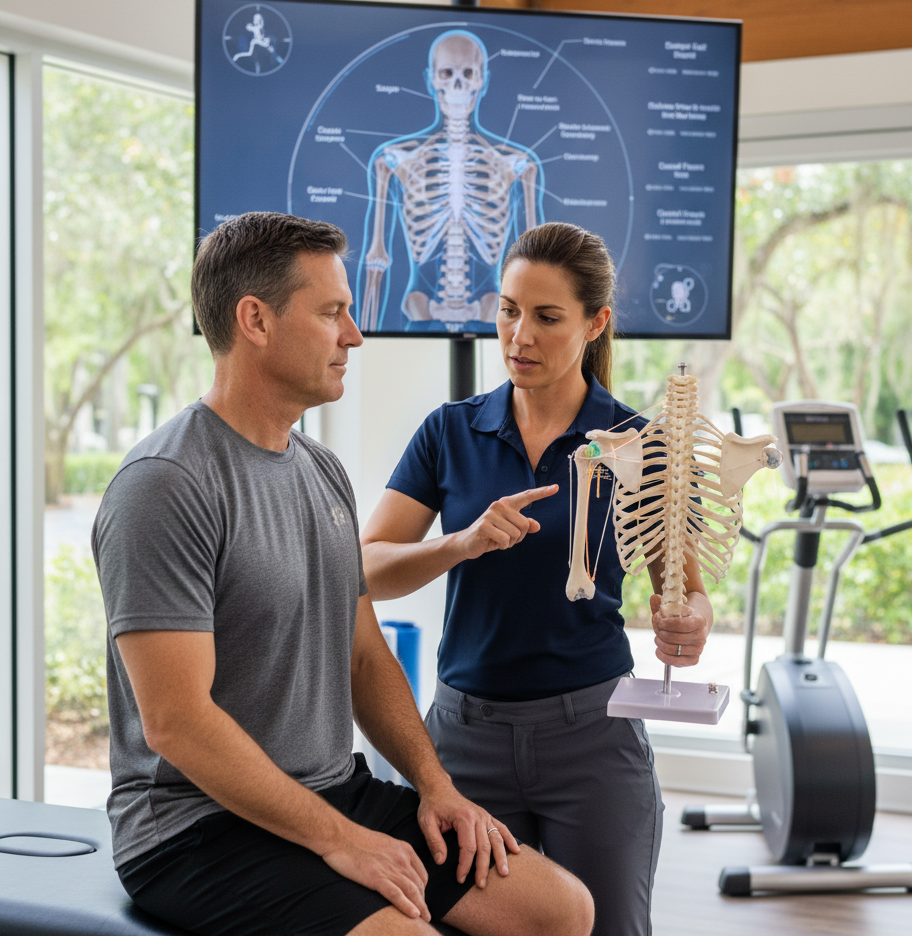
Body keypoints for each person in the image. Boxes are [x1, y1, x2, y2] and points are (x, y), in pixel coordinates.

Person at [91, 211, 594, 936]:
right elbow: (176, 722)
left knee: (559, 909)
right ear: (255, 321)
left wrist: (434, 786)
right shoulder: (165, 485)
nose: (354, 335)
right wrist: (341, 841)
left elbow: (361, 655)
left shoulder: (321, 471)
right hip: (195, 830)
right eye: (333, 312)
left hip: (331, 791)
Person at [361, 221, 714, 936]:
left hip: (593, 739)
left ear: (596, 323)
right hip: (463, 742)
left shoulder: (643, 443)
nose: (520, 334)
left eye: (547, 317)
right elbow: (367, 570)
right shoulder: (449, 432)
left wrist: (693, 622)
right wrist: (459, 543)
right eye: (508, 310)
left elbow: (689, 590)